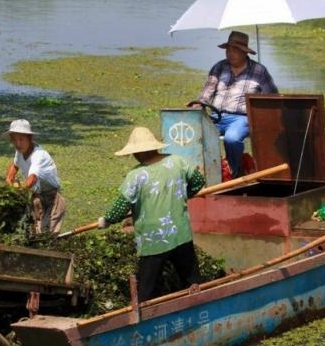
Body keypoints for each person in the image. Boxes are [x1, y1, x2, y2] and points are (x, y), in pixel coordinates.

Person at [97, 127, 206, 302]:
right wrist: (182, 196)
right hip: (180, 232)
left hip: (153, 239)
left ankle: (146, 316)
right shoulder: (177, 161)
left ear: (139, 153)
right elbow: (198, 180)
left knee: (146, 289)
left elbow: (121, 206)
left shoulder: (136, 175)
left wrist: (107, 220)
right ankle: (199, 304)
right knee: (192, 280)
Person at [196, 31, 278, 178]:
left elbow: (273, 98)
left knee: (232, 138)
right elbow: (207, 92)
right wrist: (198, 105)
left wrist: (263, 119)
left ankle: (234, 173)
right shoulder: (219, 67)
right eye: (228, 50)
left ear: (244, 52)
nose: (230, 54)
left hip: (242, 118)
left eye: (235, 50)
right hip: (216, 116)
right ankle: (204, 173)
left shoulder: (259, 71)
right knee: (195, 134)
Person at [3, 119, 66, 233]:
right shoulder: (20, 151)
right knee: (35, 233)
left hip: (53, 198)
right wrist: (9, 178)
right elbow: (15, 165)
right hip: (37, 197)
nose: (18, 144)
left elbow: (31, 180)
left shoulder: (38, 155)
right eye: (14, 140)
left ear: (30, 138)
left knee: (48, 234)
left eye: (21, 139)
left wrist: (18, 189)